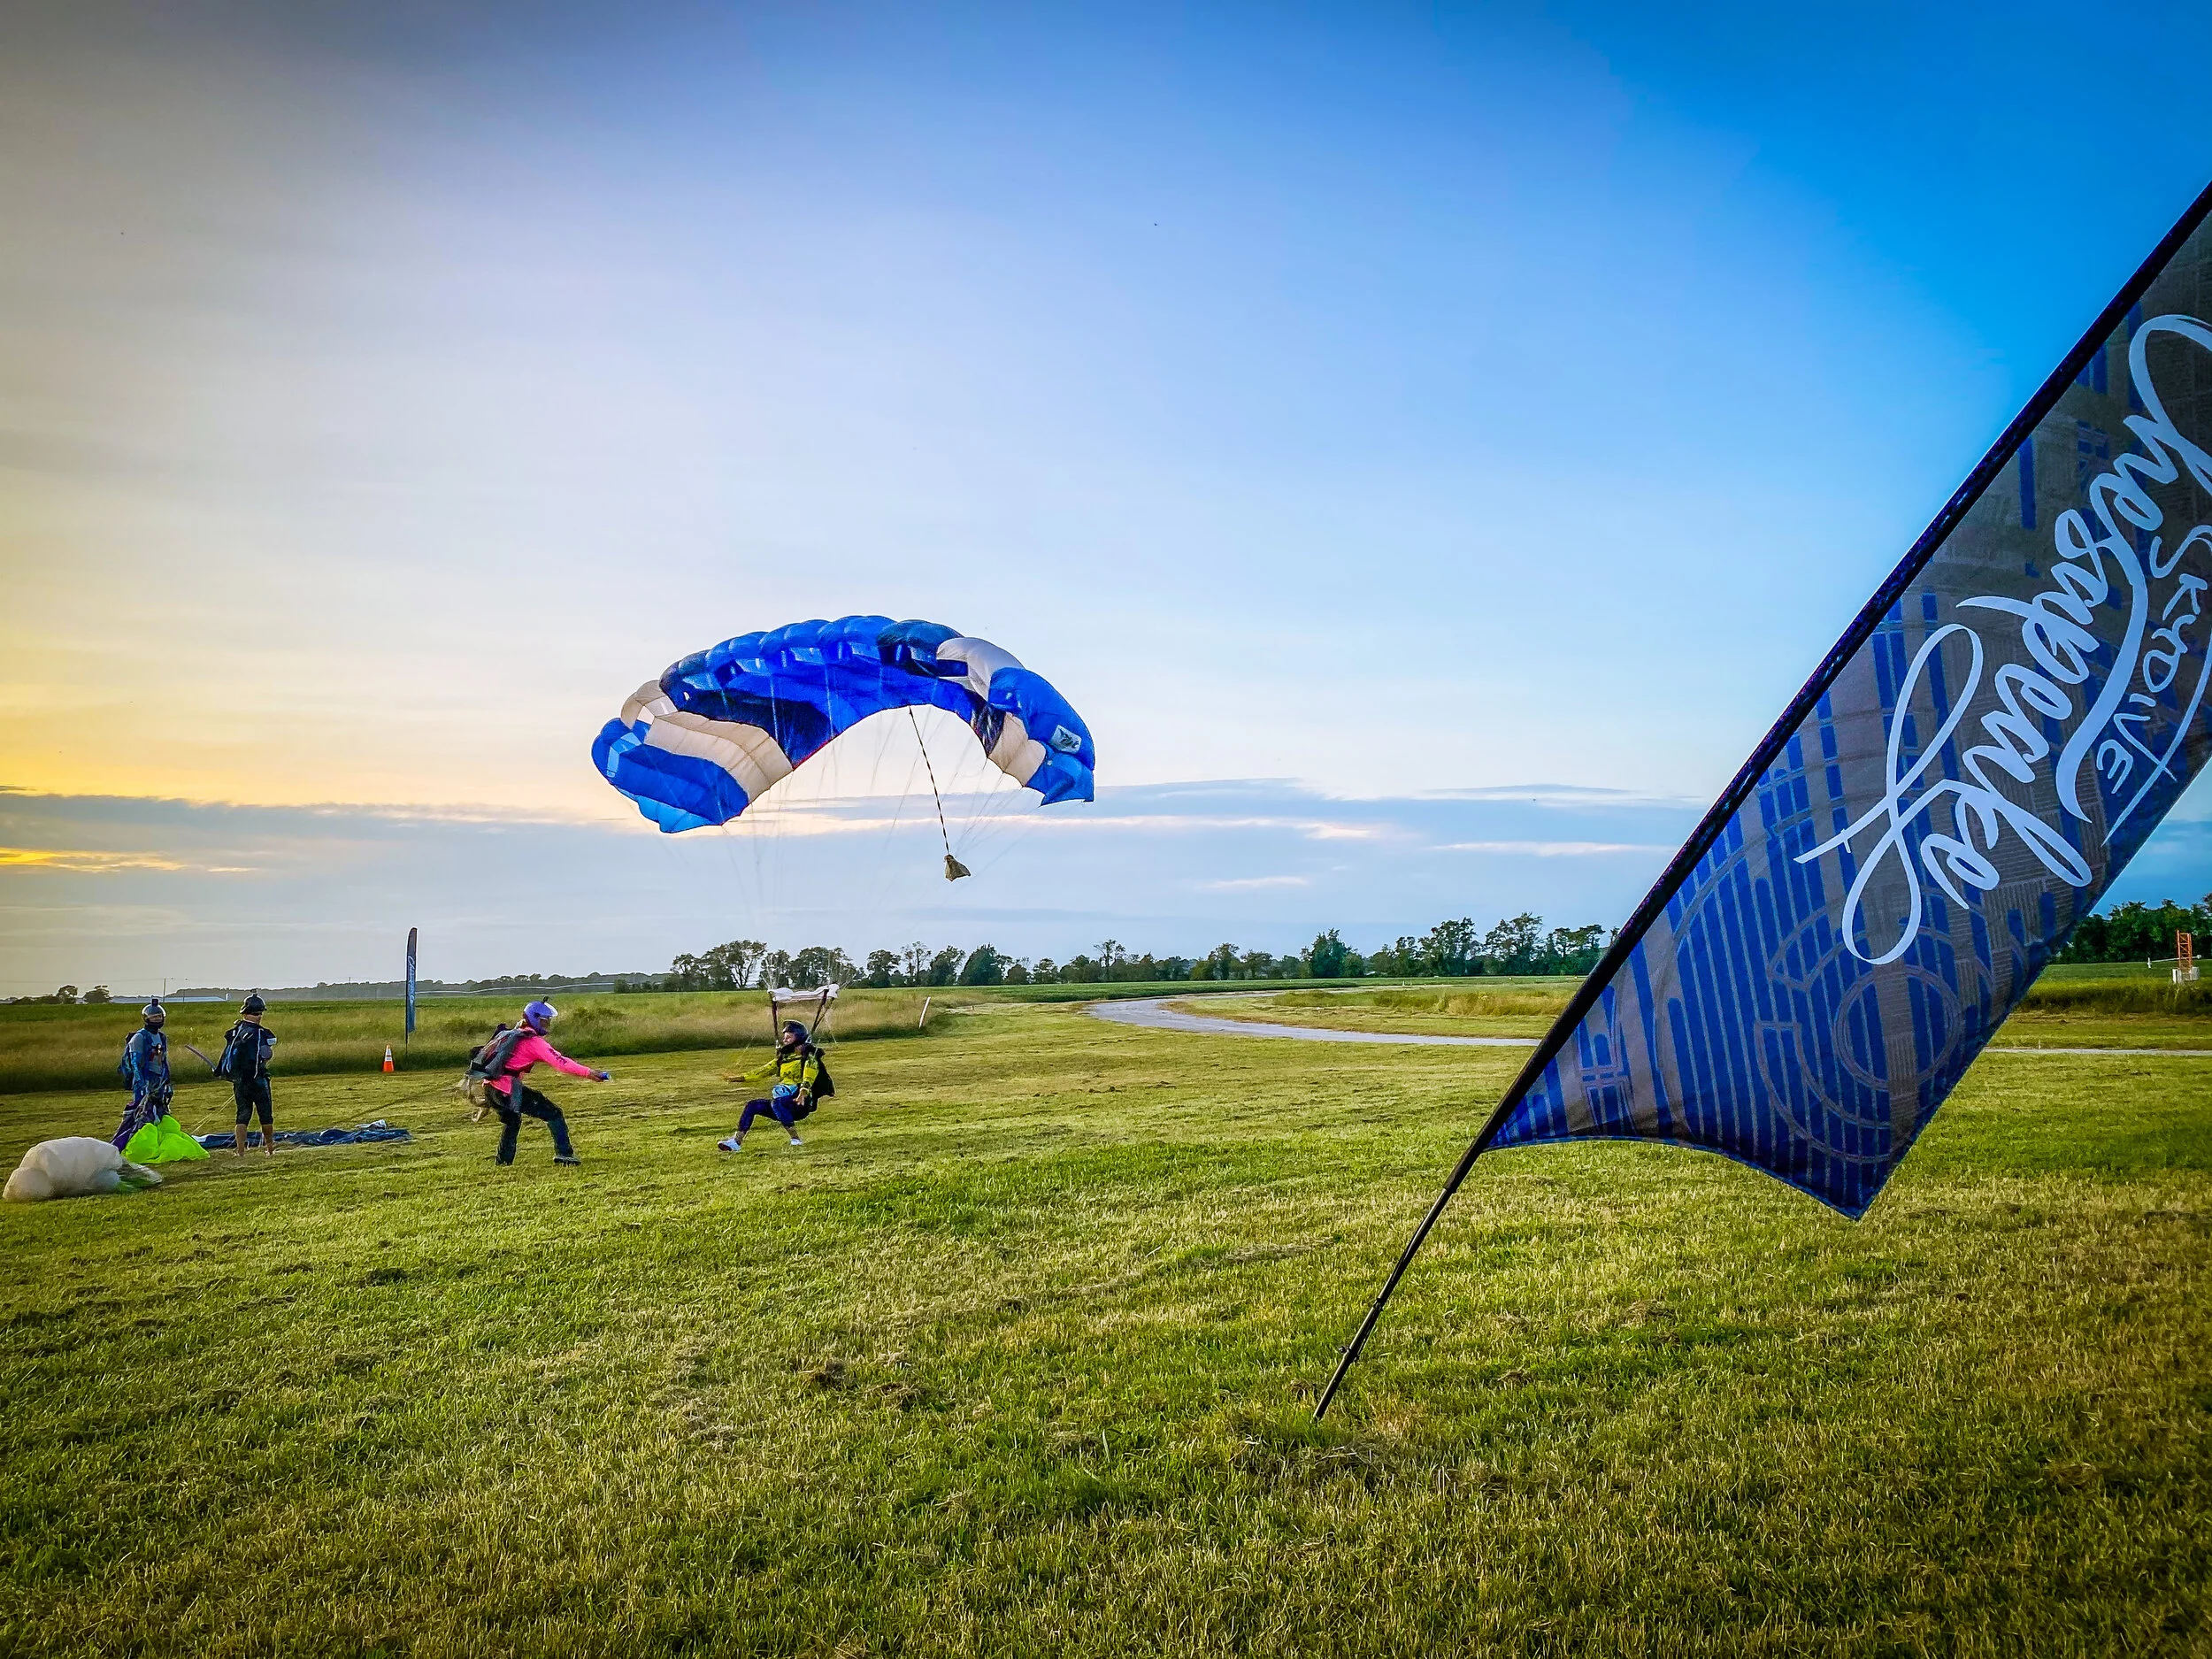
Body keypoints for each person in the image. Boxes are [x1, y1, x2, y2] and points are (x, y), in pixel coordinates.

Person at [480, 1001, 611, 1167]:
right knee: (554, 1113)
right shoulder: (533, 1042)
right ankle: (565, 1155)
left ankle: (503, 1162)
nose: (548, 1023)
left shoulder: (514, 1033)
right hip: (507, 1089)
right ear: (534, 1019)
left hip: (490, 1087)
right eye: (544, 1019)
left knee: (512, 1121)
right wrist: (588, 1073)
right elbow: (561, 1062)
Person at [718, 1021, 819, 1152]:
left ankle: (796, 1140)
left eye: (788, 1037)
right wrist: (738, 1078)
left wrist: (803, 1092)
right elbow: (762, 1072)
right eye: (784, 1037)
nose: (785, 1040)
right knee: (753, 1105)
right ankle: (736, 1142)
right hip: (781, 1103)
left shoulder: (808, 1058)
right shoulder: (784, 1059)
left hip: (800, 1103)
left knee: (778, 1103)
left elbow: (809, 1075)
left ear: (798, 1037)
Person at [219, 994, 278, 1157]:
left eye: (260, 1014)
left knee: (243, 1114)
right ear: (246, 1013)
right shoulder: (262, 1033)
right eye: (256, 1013)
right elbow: (267, 1054)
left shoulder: (234, 1032)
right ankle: (270, 1148)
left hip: (240, 1080)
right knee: (265, 1115)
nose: (259, 1017)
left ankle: (240, 1151)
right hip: (258, 1080)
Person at [113, 999, 173, 1151]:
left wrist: (166, 1081)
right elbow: (135, 1062)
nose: (158, 1019)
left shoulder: (162, 1037)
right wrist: (142, 1084)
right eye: (154, 1017)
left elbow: (163, 1060)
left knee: (160, 1111)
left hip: (158, 1080)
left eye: (160, 1016)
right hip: (144, 1081)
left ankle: (157, 1141)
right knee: (142, 1113)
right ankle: (135, 1143)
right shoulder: (139, 1038)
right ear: (147, 1019)